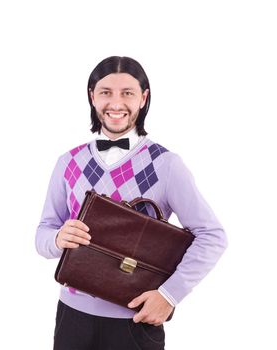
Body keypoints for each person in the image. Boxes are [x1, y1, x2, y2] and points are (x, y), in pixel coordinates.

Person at [35, 56, 228, 350]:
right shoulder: (69, 162)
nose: (116, 103)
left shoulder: (166, 165)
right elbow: (43, 232)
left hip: (135, 320)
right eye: (105, 92)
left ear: (143, 98)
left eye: (127, 93)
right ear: (92, 96)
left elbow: (212, 236)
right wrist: (57, 239)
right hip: (71, 318)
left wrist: (169, 295)